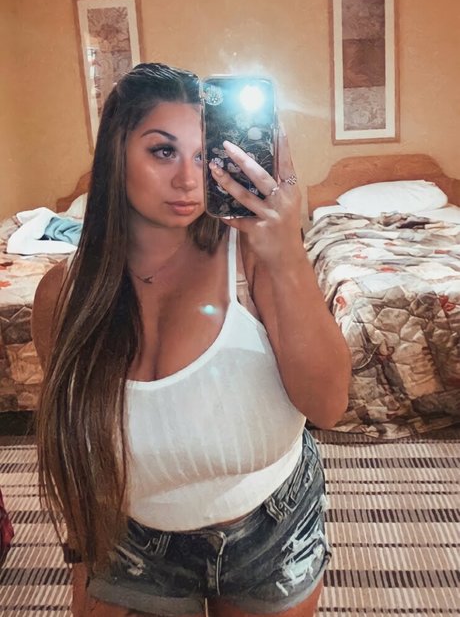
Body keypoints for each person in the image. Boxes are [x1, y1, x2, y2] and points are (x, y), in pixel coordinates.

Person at [32, 62, 351, 617]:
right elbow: (71, 446)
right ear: (116, 154)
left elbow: (328, 405)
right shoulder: (64, 295)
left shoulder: (252, 260)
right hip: (129, 542)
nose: (188, 179)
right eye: (163, 151)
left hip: (270, 532)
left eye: (204, 156)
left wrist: (287, 253)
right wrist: (83, 558)